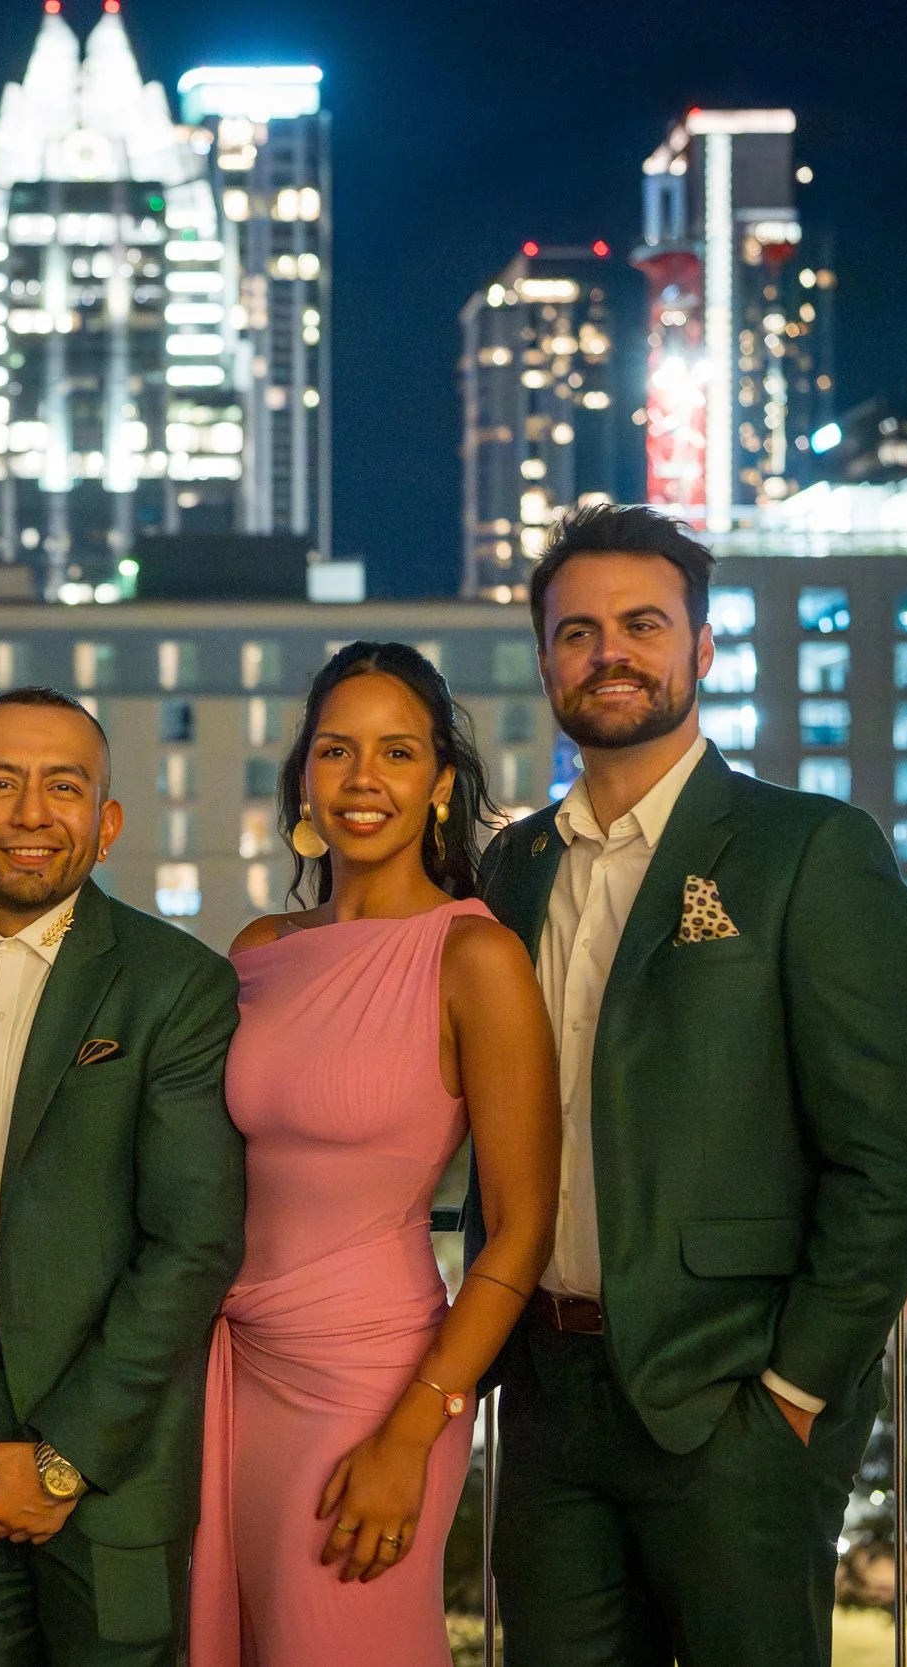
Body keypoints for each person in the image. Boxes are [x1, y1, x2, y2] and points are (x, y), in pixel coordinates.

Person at [476, 504, 907, 1667]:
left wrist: (792, 1390)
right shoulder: (512, 866)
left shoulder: (809, 849)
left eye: (643, 623)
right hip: (547, 1398)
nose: (609, 652)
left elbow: (892, 1158)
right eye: (576, 631)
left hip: (732, 1399)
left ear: (700, 649)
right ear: (544, 660)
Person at [186, 643, 560, 1665]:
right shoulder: (259, 948)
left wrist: (414, 1429)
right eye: (336, 750)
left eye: (395, 752)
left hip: (373, 1383)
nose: (363, 778)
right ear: (303, 773)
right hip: (231, 1362)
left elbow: (521, 1229)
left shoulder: (473, 956)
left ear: (439, 781)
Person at [0, 687, 246, 1667]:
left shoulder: (175, 983)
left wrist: (64, 1454)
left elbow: (192, 1242)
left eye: (62, 787)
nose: (31, 813)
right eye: (0, 784)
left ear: (105, 823)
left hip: (111, 1444)